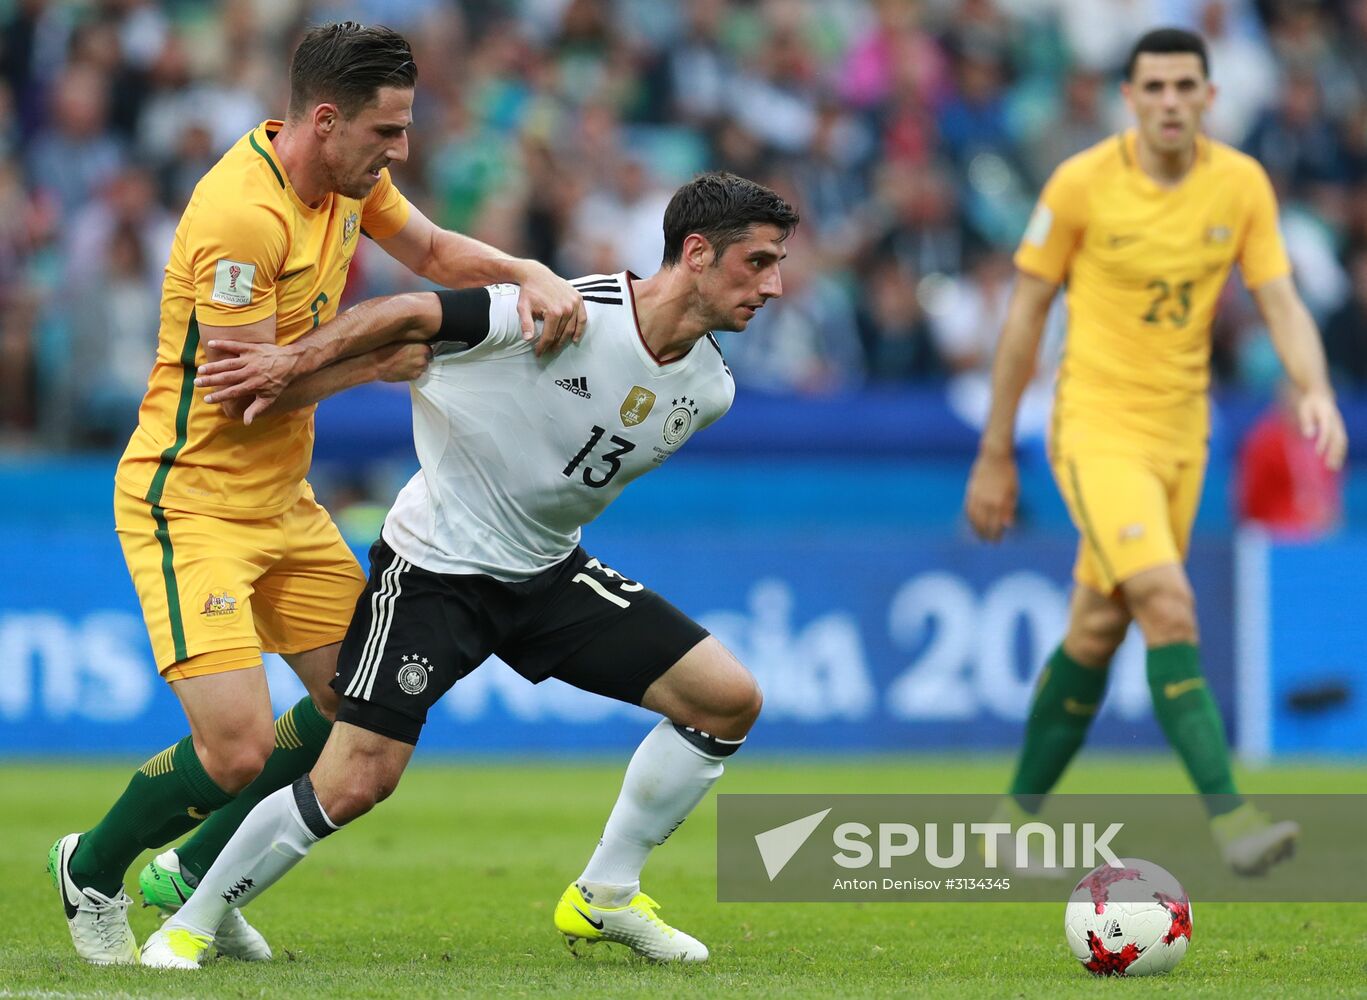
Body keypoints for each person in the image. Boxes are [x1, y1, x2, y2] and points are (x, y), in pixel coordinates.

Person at [136, 171, 795, 969]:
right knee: (356, 782)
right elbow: (410, 312)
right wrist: (292, 362)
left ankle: (605, 896)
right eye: (757, 262)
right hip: (435, 574)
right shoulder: (565, 312)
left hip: (547, 577)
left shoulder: (709, 387)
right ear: (696, 253)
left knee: (727, 700)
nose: (775, 285)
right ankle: (188, 925)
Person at [49, 22, 585, 966]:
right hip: (194, 500)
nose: (400, 152)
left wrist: (525, 271)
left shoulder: (351, 179)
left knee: (355, 701)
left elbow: (431, 251)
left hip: (284, 501)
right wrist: (372, 363)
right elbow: (246, 388)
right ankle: (90, 869)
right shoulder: (240, 216)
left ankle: (202, 884)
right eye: (387, 133)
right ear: (326, 120)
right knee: (236, 752)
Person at [963, 28, 1347, 874]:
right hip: (1095, 428)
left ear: (1208, 97)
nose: (1170, 101)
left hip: (1184, 437)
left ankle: (1008, 820)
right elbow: (1025, 316)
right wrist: (996, 451)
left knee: (1099, 626)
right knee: (1167, 605)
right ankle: (1233, 818)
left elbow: (1279, 301)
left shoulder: (1239, 184)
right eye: (1154, 87)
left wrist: (1312, 387)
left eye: (1185, 86)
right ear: (1128, 99)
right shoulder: (1080, 184)